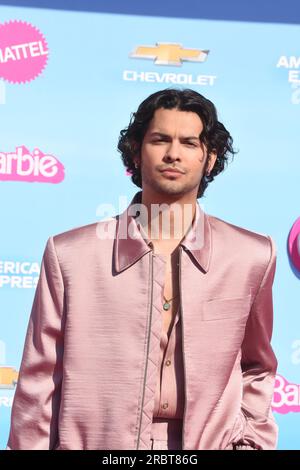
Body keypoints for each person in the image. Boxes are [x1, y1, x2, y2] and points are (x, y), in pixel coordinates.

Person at [7, 88, 278, 450]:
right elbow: (39, 381)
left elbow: (257, 367)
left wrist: (251, 443)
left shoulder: (251, 256)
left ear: (210, 158)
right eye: (160, 139)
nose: (173, 153)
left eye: (189, 142)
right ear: (136, 150)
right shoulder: (71, 255)